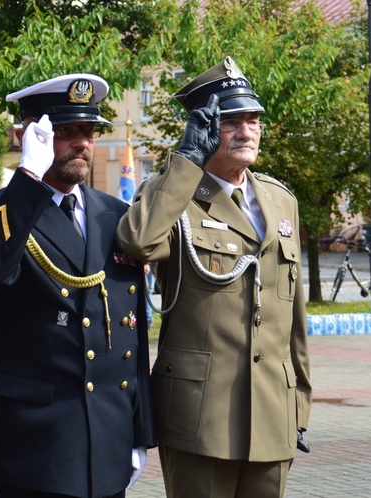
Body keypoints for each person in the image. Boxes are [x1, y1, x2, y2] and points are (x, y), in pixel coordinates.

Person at [116, 57, 312, 498]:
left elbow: (292, 317)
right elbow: (138, 242)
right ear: (203, 128)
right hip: (200, 415)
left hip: (272, 411)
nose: (247, 132)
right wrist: (186, 161)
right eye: (231, 122)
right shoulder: (172, 196)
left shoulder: (281, 201)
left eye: (254, 120)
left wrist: (298, 404)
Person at [0, 74, 156, 498]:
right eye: (66, 131)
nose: (82, 143)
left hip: (108, 441)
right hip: (35, 449)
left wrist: (140, 431)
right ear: (31, 135)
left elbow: (130, 335)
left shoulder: (116, 216)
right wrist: (27, 175)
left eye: (89, 131)